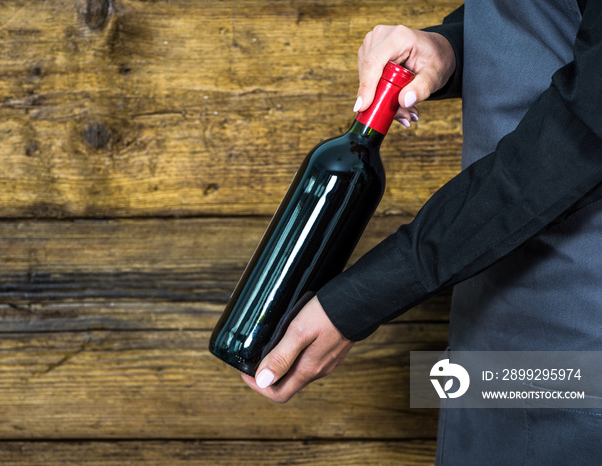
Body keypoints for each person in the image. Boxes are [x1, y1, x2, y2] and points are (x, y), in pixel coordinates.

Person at [240, 1, 602, 463]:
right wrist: (449, 45)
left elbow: (583, 130)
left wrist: (359, 300)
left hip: (578, 351)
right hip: (488, 324)